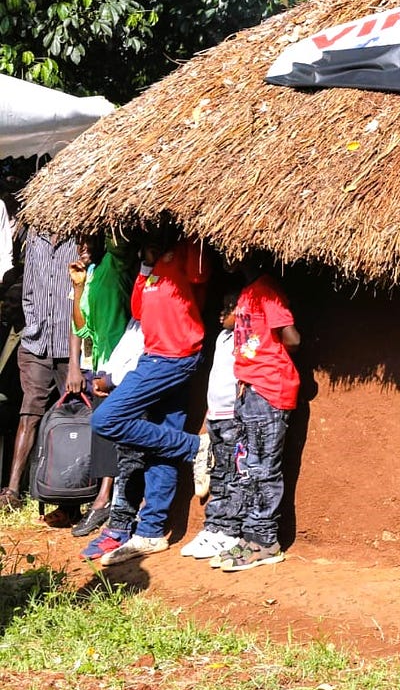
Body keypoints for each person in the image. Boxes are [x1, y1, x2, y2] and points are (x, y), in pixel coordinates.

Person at [89, 229, 212, 565]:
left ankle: (195, 446)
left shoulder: (189, 249)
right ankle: (151, 532)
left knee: (105, 418)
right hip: (154, 355)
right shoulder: (155, 266)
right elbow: (138, 310)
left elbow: (201, 272)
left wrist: (193, 234)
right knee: (161, 443)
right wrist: (146, 265)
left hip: (174, 357)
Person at [212, 267, 299, 571]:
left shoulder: (267, 291)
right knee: (248, 467)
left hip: (269, 388)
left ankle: (265, 543)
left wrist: (265, 360)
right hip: (249, 389)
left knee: (262, 468)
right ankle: (250, 537)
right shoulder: (248, 293)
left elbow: (292, 338)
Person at [0, 228, 78, 519]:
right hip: (37, 341)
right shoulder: (35, 236)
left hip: (70, 344)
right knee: (28, 413)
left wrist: (74, 354)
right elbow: (29, 287)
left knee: (72, 418)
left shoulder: (79, 237)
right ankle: (11, 490)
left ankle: (69, 499)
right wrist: (32, 325)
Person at [67, 237, 135, 537]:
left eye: (87, 239)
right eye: (78, 242)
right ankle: (105, 499)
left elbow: (120, 241)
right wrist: (79, 285)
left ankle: (107, 499)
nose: (82, 246)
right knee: (102, 429)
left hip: (121, 360)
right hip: (99, 362)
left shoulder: (112, 262)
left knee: (114, 428)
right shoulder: (90, 271)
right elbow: (80, 327)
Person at [178, 290, 243, 560]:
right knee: (218, 474)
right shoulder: (222, 337)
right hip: (216, 415)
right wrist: (208, 418)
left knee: (233, 474)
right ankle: (214, 527)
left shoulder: (243, 340)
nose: (222, 312)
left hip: (233, 416)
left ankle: (230, 531)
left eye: (229, 307)